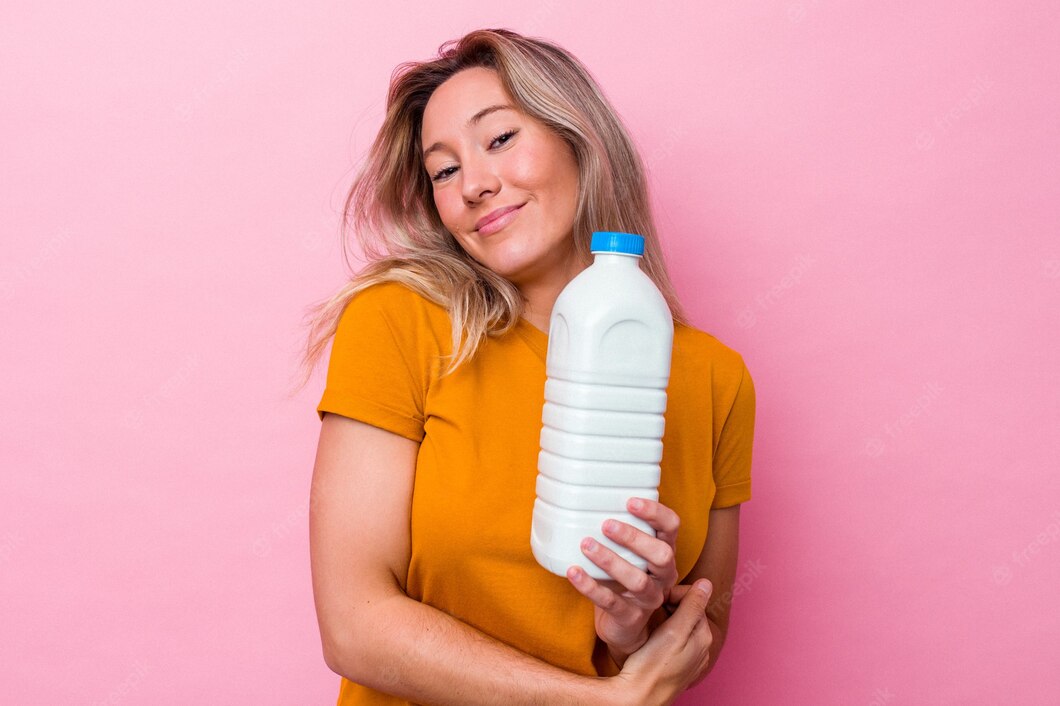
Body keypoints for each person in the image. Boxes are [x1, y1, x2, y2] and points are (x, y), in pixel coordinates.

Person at [298, 28, 756, 706]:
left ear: (580, 140)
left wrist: (632, 625)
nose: (476, 185)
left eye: (500, 139)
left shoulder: (716, 379)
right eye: (444, 170)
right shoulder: (401, 325)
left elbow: (701, 631)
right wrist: (595, 702)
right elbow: (354, 627)